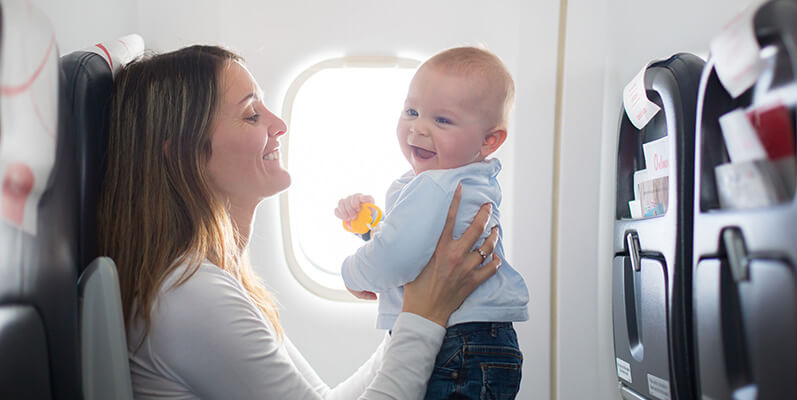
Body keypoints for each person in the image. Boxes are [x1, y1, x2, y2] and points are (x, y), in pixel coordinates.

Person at [97, 45, 502, 399]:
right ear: (183, 153)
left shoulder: (218, 279)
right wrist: (424, 315)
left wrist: (419, 305)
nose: (279, 125)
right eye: (252, 115)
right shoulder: (189, 295)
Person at [334, 46, 529, 399]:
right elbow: (419, 244)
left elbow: (397, 256)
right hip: (481, 342)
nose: (418, 128)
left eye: (442, 120)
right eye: (412, 111)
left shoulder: (435, 185)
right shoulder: (462, 178)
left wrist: (351, 273)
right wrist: (370, 227)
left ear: (489, 140)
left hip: (458, 345)